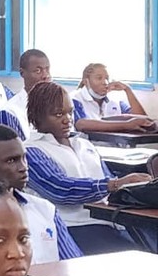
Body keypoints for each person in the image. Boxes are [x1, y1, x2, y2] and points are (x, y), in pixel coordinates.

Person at [21, 80, 143, 253]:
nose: (67, 119)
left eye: (70, 112)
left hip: (111, 220)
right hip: (73, 226)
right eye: (58, 114)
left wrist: (140, 187)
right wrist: (115, 184)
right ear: (37, 116)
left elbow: (108, 181)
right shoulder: (30, 150)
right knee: (136, 256)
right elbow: (61, 189)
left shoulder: (84, 145)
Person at [0, 125, 82, 264]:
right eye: (12, 160)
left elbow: (73, 263)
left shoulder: (45, 210)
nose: (23, 167)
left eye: (24, 158)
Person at [72, 61, 158, 139]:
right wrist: (126, 125)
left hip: (116, 147)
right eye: (99, 78)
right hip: (87, 148)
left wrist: (128, 90)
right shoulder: (75, 99)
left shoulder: (115, 100)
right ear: (86, 81)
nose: (105, 82)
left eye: (107, 78)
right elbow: (81, 124)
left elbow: (142, 120)